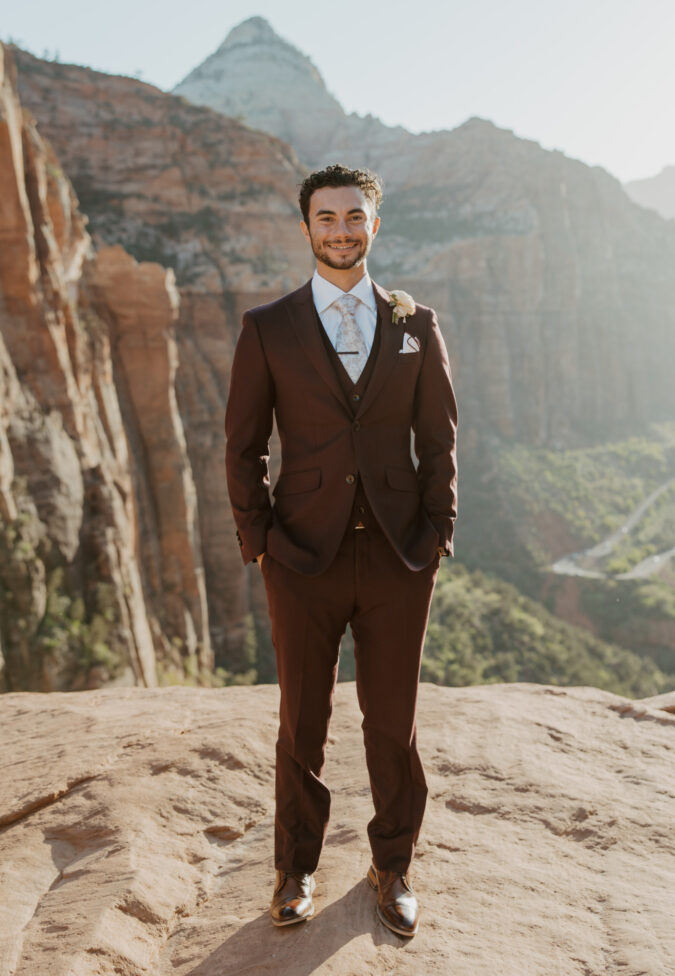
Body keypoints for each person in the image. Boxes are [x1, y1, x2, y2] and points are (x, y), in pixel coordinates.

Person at [225, 163, 458, 937]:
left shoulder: (413, 324)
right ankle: (294, 868)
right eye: (326, 218)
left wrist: (437, 533)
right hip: (300, 556)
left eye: (353, 217)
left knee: (392, 721)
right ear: (306, 228)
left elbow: (439, 437)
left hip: (399, 555)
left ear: (373, 225)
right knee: (303, 721)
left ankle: (391, 866)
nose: (340, 230)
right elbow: (242, 444)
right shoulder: (268, 327)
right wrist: (259, 539)